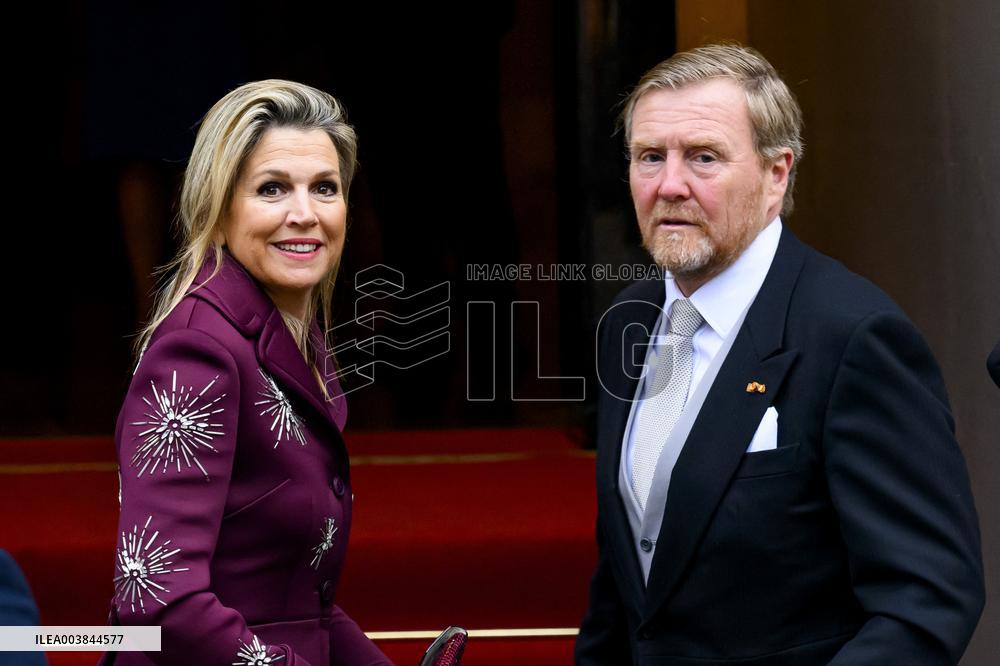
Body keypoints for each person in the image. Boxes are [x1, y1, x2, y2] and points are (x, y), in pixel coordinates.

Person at [576, 44, 984, 665]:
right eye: (649, 157)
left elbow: (926, 600)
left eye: (704, 158)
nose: (670, 185)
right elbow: (627, 578)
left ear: (777, 174)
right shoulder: (626, 323)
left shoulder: (853, 337)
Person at [101, 80, 393, 665]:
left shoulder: (292, 339)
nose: (304, 214)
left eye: (325, 189)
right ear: (220, 204)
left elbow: (302, 603)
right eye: (272, 189)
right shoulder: (195, 353)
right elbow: (159, 599)